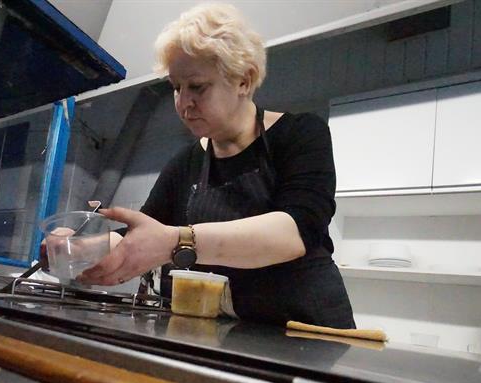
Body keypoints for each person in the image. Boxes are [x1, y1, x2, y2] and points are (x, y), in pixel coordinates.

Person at [79, 3, 355, 329]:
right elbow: (144, 235)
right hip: (236, 332)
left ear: (244, 81)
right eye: (176, 87)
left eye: (197, 86)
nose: (183, 103)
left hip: (310, 331)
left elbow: (293, 233)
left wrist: (177, 241)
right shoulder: (186, 162)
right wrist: (81, 248)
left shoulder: (300, 134)